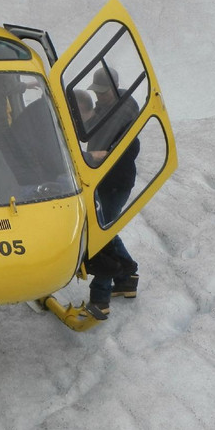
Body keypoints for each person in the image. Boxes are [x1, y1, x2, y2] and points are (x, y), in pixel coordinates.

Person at [80, 67, 140, 319]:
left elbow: (120, 144)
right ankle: (127, 277)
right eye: (97, 93)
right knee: (105, 228)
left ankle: (100, 298)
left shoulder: (125, 111)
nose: (99, 97)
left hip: (116, 183)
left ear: (115, 89)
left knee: (101, 234)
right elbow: (87, 131)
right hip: (99, 180)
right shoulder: (104, 108)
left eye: (103, 93)